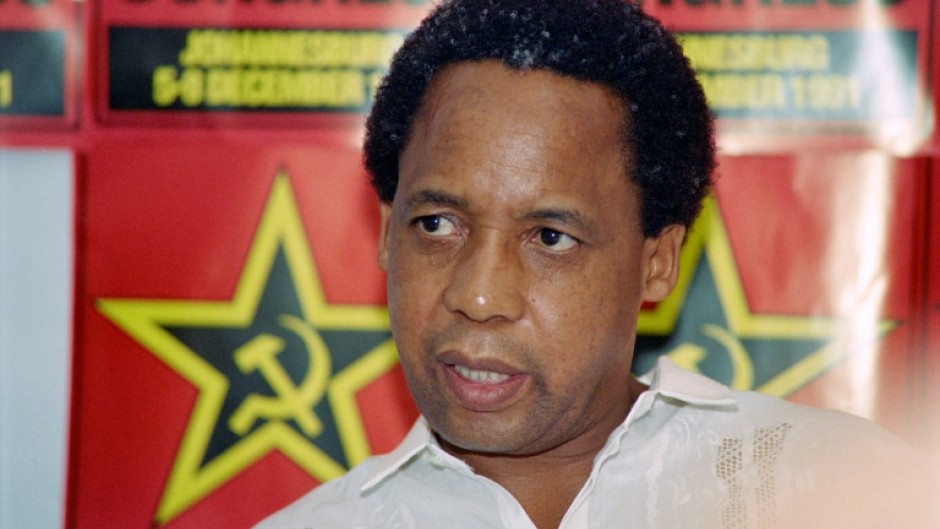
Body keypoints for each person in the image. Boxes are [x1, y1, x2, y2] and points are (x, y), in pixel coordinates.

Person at [254, 1, 929, 528]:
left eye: (550, 237)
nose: (479, 296)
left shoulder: (842, 490)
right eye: (437, 224)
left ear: (656, 263)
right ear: (386, 232)